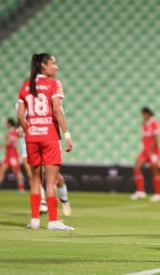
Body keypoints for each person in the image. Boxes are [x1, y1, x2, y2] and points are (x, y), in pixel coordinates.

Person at [17, 53, 74, 230]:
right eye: (53, 63)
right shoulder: (53, 84)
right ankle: (53, 221)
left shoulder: (26, 85)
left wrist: (32, 130)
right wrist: (67, 134)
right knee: (51, 180)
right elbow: (57, 109)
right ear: (43, 66)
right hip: (49, 135)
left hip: (32, 136)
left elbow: (20, 116)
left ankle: (34, 220)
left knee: (35, 178)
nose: (55, 67)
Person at [16, 107, 72, 216]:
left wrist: (65, 135)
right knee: (32, 174)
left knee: (54, 177)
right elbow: (20, 117)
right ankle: (42, 203)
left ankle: (64, 200)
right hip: (29, 140)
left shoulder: (50, 101)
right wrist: (21, 129)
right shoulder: (22, 101)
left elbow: (58, 115)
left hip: (47, 139)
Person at [130, 107, 160, 202]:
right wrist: (145, 149)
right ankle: (140, 191)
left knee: (154, 170)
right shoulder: (144, 124)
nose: (143, 116)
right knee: (136, 168)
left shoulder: (154, 123)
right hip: (145, 151)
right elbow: (145, 138)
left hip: (154, 152)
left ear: (148, 114)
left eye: (144, 114)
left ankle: (158, 194)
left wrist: (150, 151)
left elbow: (156, 139)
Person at [0, 118, 25, 192]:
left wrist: (1, 146)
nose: (6, 125)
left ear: (9, 124)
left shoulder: (13, 131)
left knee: (17, 171)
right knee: (2, 171)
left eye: (7, 123)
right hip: (8, 155)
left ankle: (21, 188)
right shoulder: (11, 131)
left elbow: (9, 143)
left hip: (13, 155)